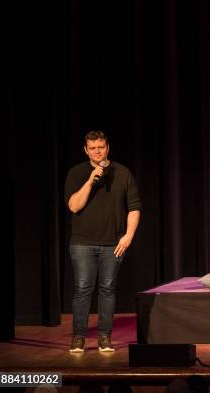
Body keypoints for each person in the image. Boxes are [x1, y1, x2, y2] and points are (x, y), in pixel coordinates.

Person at [65, 130, 141, 353]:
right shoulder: (77, 172)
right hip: (82, 243)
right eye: (92, 148)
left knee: (107, 289)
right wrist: (91, 180)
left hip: (113, 244)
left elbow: (134, 207)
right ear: (85, 150)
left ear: (107, 147)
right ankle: (78, 338)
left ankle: (104, 338)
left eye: (101, 147)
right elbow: (74, 206)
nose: (97, 151)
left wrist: (128, 236)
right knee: (82, 288)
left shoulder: (123, 172)